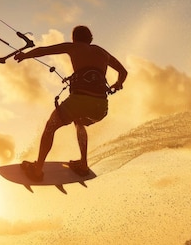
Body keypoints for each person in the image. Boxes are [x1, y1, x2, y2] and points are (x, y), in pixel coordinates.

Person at [13, 25, 128, 181]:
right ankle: (83, 164)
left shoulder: (73, 47)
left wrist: (25, 55)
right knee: (79, 122)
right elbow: (123, 72)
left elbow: (45, 50)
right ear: (91, 38)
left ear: (75, 39)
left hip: (79, 100)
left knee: (50, 126)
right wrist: (118, 83)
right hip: (101, 106)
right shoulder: (102, 52)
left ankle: (38, 170)